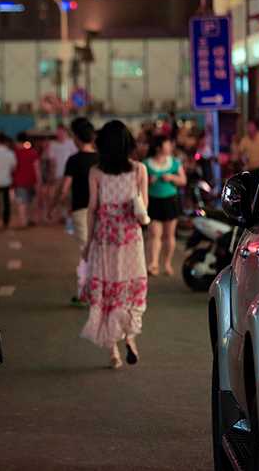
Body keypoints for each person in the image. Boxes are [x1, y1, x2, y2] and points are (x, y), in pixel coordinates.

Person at [81, 120, 148, 369]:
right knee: (129, 290)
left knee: (109, 291)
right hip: (131, 239)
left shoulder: (96, 172)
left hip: (104, 240)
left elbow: (92, 210)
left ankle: (114, 353)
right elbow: (144, 209)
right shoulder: (139, 170)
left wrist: (88, 243)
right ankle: (130, 337)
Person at [50, 118, 98, 306]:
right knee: (98, 250)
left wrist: (53, 206)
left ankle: (85, 293)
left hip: (81, 212)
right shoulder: (100, 159)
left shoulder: (74, 160)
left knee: (86, 252)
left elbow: (64, 188)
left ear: (76, 138)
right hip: (100, 211)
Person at [143, 135, 187, 277]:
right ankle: (153, 264)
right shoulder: (146, 164)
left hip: (170, 201)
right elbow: (139, 184)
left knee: (169, 235)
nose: (170, 147)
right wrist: (149, 181)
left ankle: (167, 263)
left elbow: (183, 180)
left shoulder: (174, 163)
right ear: (159, 147)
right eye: (167, 144)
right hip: (153, 201)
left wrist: (172, 178)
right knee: (154, 234)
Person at [44, 125, 78, 223]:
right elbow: (52, 162)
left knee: (69, 196)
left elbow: (76, 158)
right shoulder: (53, 145)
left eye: (61, 132)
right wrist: (51, 175)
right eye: (58, 132)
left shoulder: (72, 143)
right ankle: (63, 215)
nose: (59, 134)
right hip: (59, 175)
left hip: (71, 175)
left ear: (66, 132)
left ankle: (69, 215)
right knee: (59, 196)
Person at [12, 132, 41, 227]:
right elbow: (37, 167)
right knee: (31, 201)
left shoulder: (15, 153)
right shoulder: (33, 152)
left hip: (19, 181)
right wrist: (39, 180)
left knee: (21, 202)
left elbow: (13, 167)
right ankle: (31, 219)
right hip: (32, 181)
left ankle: (23, 221)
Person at [237, 118, 259, 188]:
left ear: (256, 127)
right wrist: (242, 159)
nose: (249, 129)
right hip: (251, 170)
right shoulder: (245, 140)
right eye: (248, 127)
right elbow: (240, 153)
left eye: (251, 127)